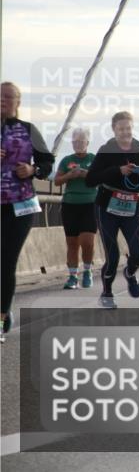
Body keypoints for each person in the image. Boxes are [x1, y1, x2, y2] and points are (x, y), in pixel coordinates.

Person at [85, 110, 139, 309]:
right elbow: (90, 179)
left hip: (131, 207)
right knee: (113, 256)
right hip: (107, 207)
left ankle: (130, 273)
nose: (125, 132)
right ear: (114, 130)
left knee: (138, 254)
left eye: (128, 128)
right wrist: (118, 170)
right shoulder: (106, 149)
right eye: (121, 129)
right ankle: (107, 292)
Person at [2, 82, 55, 339]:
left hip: (20, 205)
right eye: (0, 96)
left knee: (6, 262)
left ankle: (1, 314)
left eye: (9, 97)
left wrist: (33, 170)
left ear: (18, 102)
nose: (3, 100)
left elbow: (47, 163)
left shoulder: (28, 130)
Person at [54, 128, 98, 289]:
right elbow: (57, 181)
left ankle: (87, 271)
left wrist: (86, 174)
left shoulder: (94, 159)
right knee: (72, 243)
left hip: (90, 204)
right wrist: (69, 176)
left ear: (87, 142)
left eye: (81, 141)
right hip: (70, 205)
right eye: (75, 141)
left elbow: (100, 178)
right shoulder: (66, 160)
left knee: (87, 241)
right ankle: (73, 276)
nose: (78, 144)